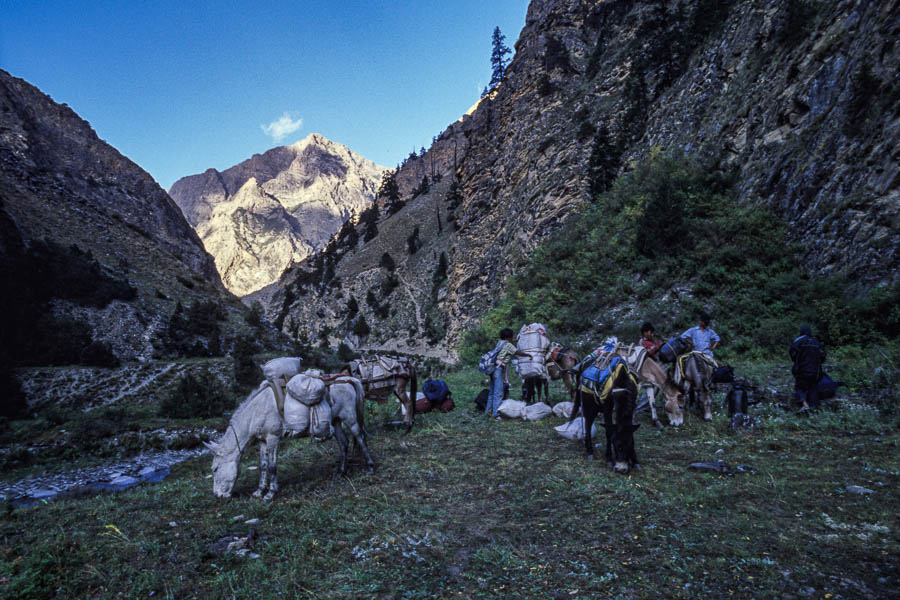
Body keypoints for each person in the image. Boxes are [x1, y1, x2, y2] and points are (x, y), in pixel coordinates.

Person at [485, 328, 529, 419]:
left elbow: (509, 345)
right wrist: (529, 355)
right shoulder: (508, 345)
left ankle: (488, 411)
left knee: (492, 392)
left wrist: (515, 340)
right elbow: (518, 352)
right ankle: (495, 414)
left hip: (493, 368)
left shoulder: (500, 342)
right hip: (499, 370)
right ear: (509, 337)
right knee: (499, 393)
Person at [789, 324, 826, 412]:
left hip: (802, 370)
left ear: (801, 331)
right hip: (816, 372)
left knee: (799, 387)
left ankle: (804, 404)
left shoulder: (798, 341)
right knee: (813, 388)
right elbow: (823, 356)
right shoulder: (816, 342)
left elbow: (792, 354)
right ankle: (814, 410)